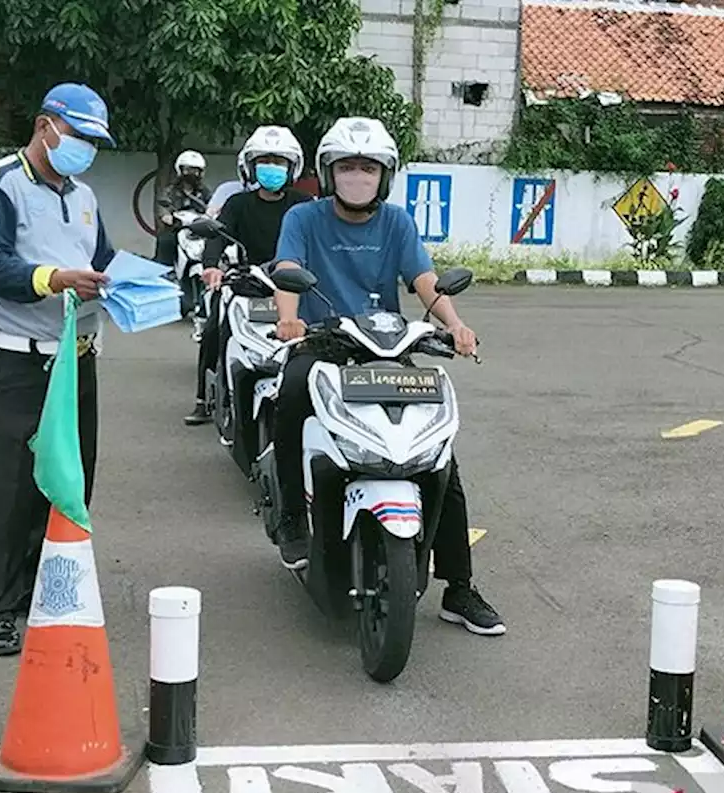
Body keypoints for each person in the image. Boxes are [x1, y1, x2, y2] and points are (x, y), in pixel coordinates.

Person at [269, 116, 505, 636]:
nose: (358, 176)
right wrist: (289, 317)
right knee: (290, 395)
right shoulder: (303, 219)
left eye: (368, 167)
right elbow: (287, 268)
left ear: (385, 175)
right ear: (329, 173)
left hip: (385, 348)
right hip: (323, 343)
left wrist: (457, 326)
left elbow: (423, 279)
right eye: (347, 167)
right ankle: (291, 514)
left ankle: (459, 588)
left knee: (438, 454)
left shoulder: (396, 222)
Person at [0, 82, 117, 655]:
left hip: (74, 361)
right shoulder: (0, 185)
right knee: (9, 487)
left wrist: (136, 283)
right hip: (13, 360)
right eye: (79, 136)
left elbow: (100, 261)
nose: (86, 150)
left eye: (95, 142)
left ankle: (41, 589)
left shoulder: (83, 196)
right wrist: (53, 279)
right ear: (44, 125)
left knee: (68, 482)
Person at [185, 126, 313, 427]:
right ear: (250, 166)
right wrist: (212, 265)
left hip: (295, 282)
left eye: (279, 161)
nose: (272, 167)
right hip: (248, 281)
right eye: (265, 160)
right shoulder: (238, 203)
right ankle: (204, 399)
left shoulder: (304, 205)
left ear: (292, 167)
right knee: (216, 327)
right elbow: (217, 236)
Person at [154, 149, 213, 265]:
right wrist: (167, 216)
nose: (192, 174)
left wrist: (211, 214)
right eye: (188, 170)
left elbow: (212, 206)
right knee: (165, 240)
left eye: (195, 171)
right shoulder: (170, 191)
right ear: (180, 170)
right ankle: (165, 271)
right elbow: (163, 208)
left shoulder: (205, 192)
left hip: (199, 229)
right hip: (177, 228)